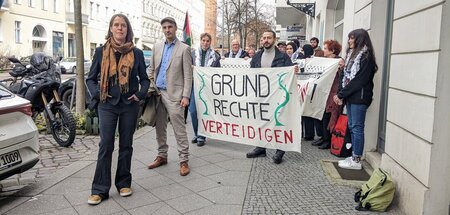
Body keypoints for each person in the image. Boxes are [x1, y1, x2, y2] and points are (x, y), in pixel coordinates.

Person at [86, 14, 150, 205]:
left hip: (129, 105)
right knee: (106, 145)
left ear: (127, 29)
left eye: (123, 25)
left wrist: (139, 94)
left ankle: (123, 183)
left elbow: (145, 79)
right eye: (116, 25)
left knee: (126, 145)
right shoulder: (101, 51)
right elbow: (90, 78)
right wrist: (98, 94)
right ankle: (99, 189)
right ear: (111, 28)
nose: (120, 28)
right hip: (107, 105)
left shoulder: (136, 53)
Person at [147, 17, 193, 176]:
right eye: (165, 27)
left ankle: (184, 160)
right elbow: (152, 70)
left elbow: (188, 76)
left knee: (179, 129)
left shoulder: (184, 49)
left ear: (175, 28)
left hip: (175, 95)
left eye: (170, 27)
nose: (167, 30)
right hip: (158, 93)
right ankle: (162, 156)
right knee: (160, 128)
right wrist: (150, 86)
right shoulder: (156, 47)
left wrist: (186, 95)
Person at [245, 30, 293, 164]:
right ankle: (260, 148)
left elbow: (289, 75)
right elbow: (251, 75)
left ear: (274, 40)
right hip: (261, 95)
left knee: (278, 122)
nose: (266, 40)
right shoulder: (256, 57)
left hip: (277, 96)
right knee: (261, 122)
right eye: (264, 38)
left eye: (269, 38)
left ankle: (280, 150)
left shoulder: (283, 57)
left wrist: (293, 71)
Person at [334, 29, 378, 170]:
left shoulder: (366, 57)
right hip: (351, 97)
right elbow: (346, 77)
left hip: (360, 97)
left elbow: (359, 80)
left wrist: (341, 95)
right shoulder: (351, 56)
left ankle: (356, 159)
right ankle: (354, 155)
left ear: (359, 39)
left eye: (352, 38)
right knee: (352, 127)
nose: (349, 41)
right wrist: (341, 93)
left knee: (357, 128)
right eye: (349, 38)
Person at [189, 33, 221, 147]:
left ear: (210, 42)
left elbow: (218, 73)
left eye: (207, 41)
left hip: (207, 88)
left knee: (204, 111)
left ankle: (201, 136)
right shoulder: (192, 54)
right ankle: (197, 132)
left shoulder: (216, 56)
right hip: (194, 86)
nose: (205, 43)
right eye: (203, 40)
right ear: (200, 41)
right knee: (193, 111)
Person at [314, 40, 343, 150]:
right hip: (326, 90)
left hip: (334, 91)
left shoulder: (338, 61)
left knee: (330, 115)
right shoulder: (326, 61)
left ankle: (328, 139)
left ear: (333, 50)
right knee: (323, 114)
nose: (324, 50)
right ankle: (324, 137)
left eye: (326, 48)